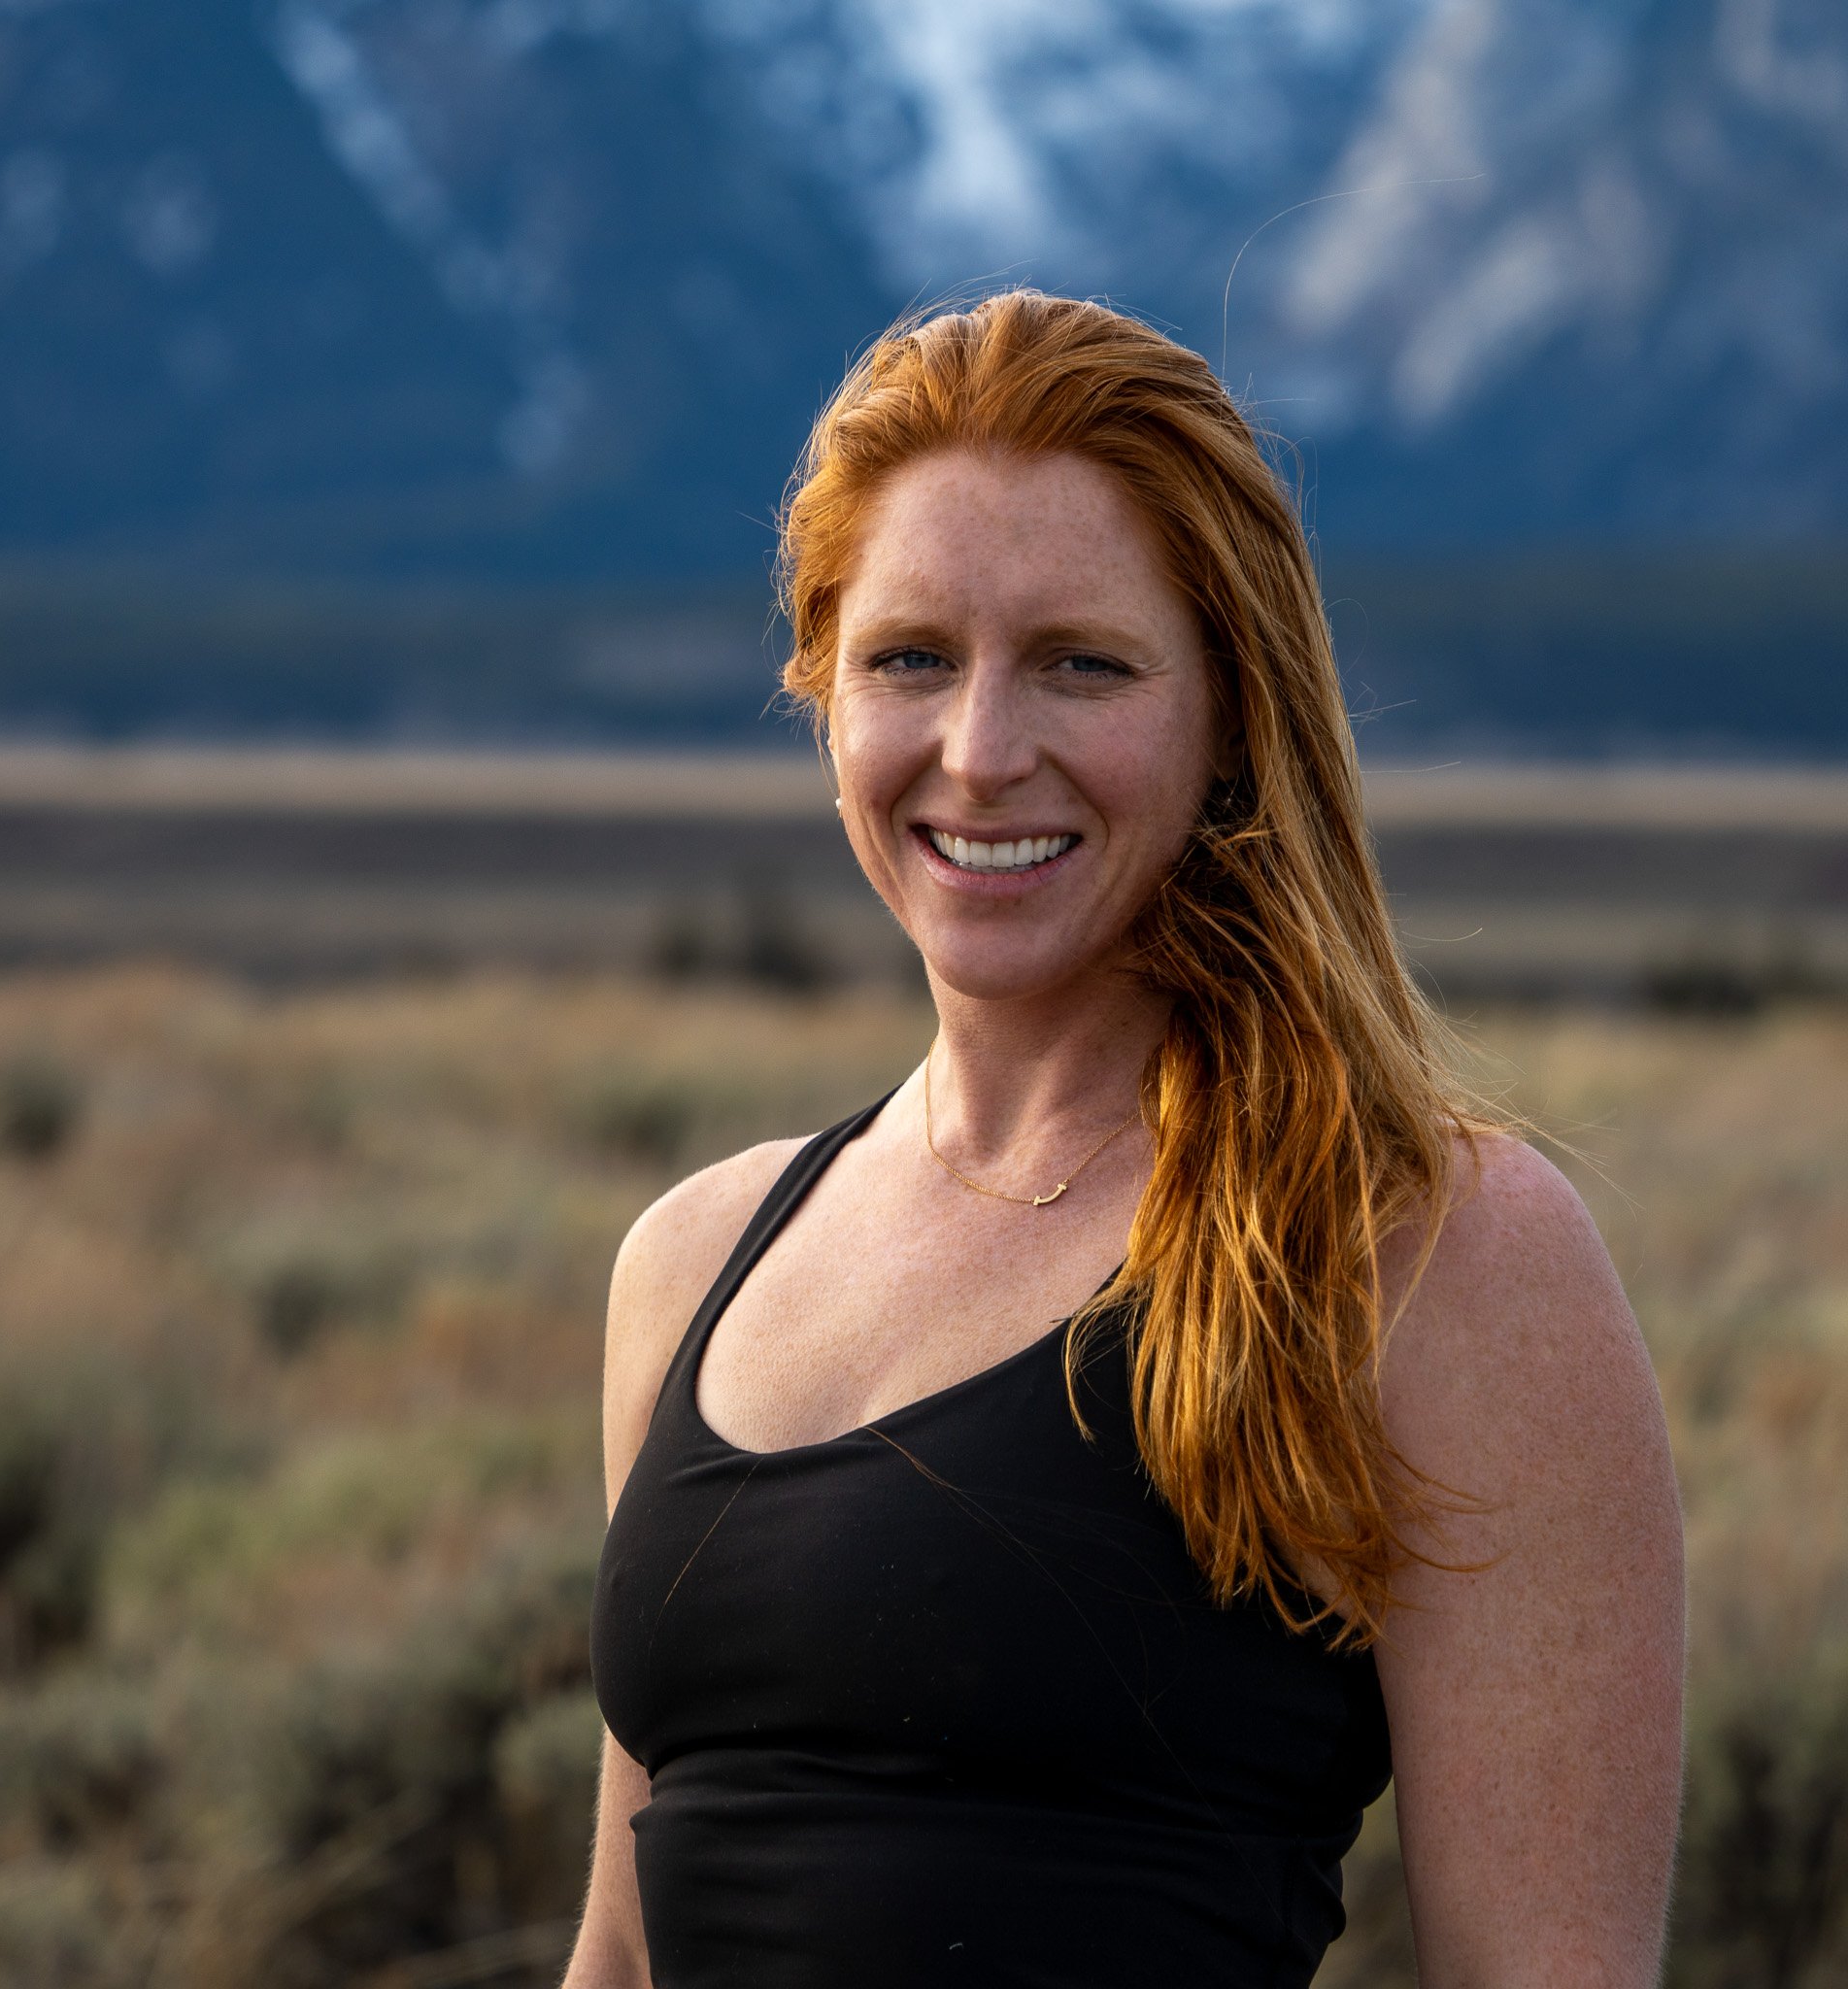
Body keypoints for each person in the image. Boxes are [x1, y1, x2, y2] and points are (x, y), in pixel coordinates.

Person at [567, 290, 1685, 1988]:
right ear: (819, 688)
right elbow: (624, 1956)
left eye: (1083, 663)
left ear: (1231, 710)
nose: (983, 752)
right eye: (911, 660)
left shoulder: (1422, 1248)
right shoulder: (695, 1262)